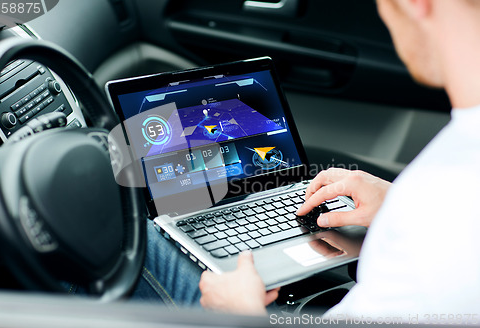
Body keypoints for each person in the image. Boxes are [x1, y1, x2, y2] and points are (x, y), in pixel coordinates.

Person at [199, 0, 480, 323]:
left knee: (151, 243)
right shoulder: (451, 179)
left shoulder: (432, 233)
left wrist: (242, 314)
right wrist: (396, 202)